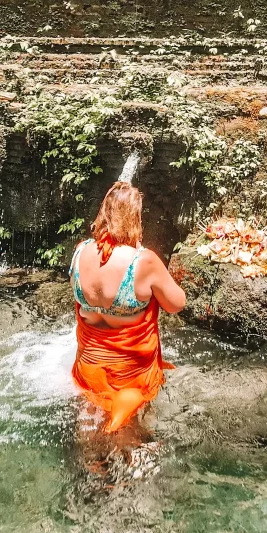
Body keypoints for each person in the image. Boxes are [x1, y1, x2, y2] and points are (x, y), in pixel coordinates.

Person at [70, 181, 186, 432]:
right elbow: (177, 304)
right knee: (130, 438)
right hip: (130, 375)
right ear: (135, 217)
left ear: (104, 213)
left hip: (89, 367)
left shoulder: (80, 252)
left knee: (89, 429)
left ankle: (90, 464)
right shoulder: (143, 261)